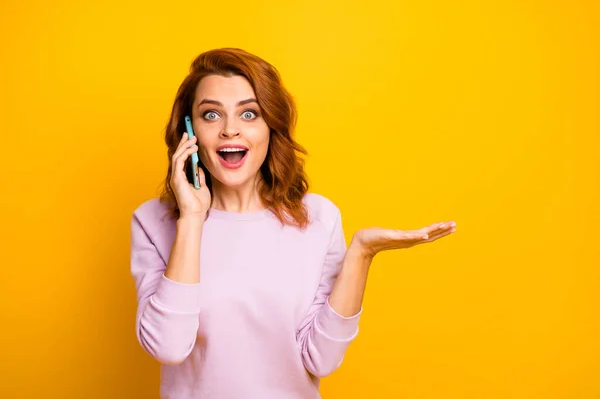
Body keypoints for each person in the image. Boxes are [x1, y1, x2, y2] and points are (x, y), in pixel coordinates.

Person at [130, 47, 456, 399]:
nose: (230, 130)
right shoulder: (153, 222)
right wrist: (192, 218)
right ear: (189, 132)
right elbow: (168, 347)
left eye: (249, 114)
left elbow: (321, 359)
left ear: (271, 126)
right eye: (211, 115)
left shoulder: (319, 218)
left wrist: (362, 253)